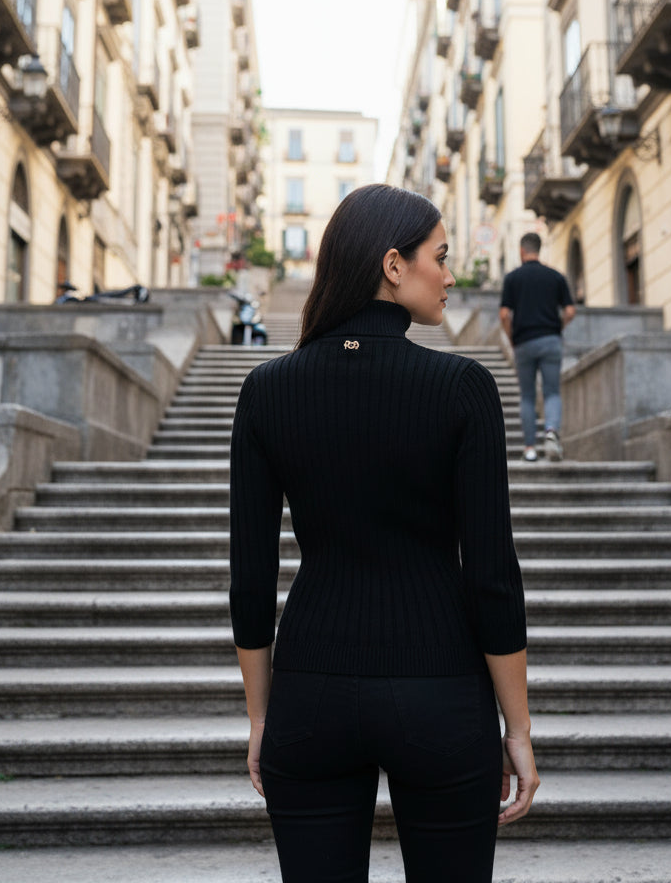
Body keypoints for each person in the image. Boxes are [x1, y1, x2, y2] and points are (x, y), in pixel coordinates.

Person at [229, 184, 539, 883]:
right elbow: (491, 574)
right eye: (442, 255)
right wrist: (516, 729)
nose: (453, 274)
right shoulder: (463, 388)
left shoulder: (267, 391)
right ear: (394, 265)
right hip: (441, 691)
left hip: (311, 690)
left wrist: (259, 717)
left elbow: (249, 581)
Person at [499, 232, 576, 463]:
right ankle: (551, 432)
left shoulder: (513, 278)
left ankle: (530, 448)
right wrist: (557, 327)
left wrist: (512, 338)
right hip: (551, 340)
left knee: (528, 396)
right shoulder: (555, 277)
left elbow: (504, 314)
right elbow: (571, 311)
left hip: (524, 342)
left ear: (522, 251)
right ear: (539, 249)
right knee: (552, 391)